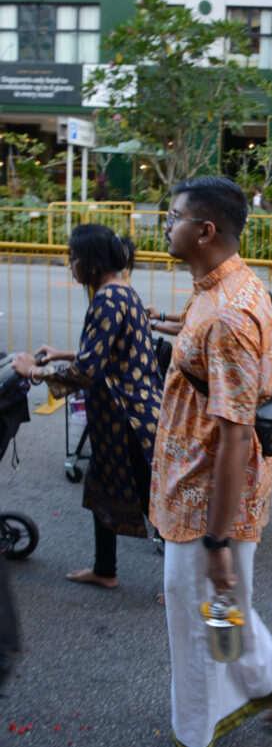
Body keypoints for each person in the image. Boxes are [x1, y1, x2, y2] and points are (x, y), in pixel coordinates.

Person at [131, 177, 272, 747]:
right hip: (199, 485)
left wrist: (215, 543)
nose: (167, 224)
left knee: (195, 616)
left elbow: (237, 435)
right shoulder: (223, 287)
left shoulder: (230, 314)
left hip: (207, 494)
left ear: (204, 230)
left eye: (174, 215)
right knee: (222, 607)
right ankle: (270, 684)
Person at [12, 225, 162, 589]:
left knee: (152, 501)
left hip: (127, 418)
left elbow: (88, 370)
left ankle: (185, 586)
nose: (71, 265)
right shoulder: (122, 291)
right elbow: (110, 352)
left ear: (92, 262)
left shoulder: (106, 300)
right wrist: (63, 354)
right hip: (127, 414)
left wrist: (33, 372)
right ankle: (105, 570)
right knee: (102, 488)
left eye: (74, 258)